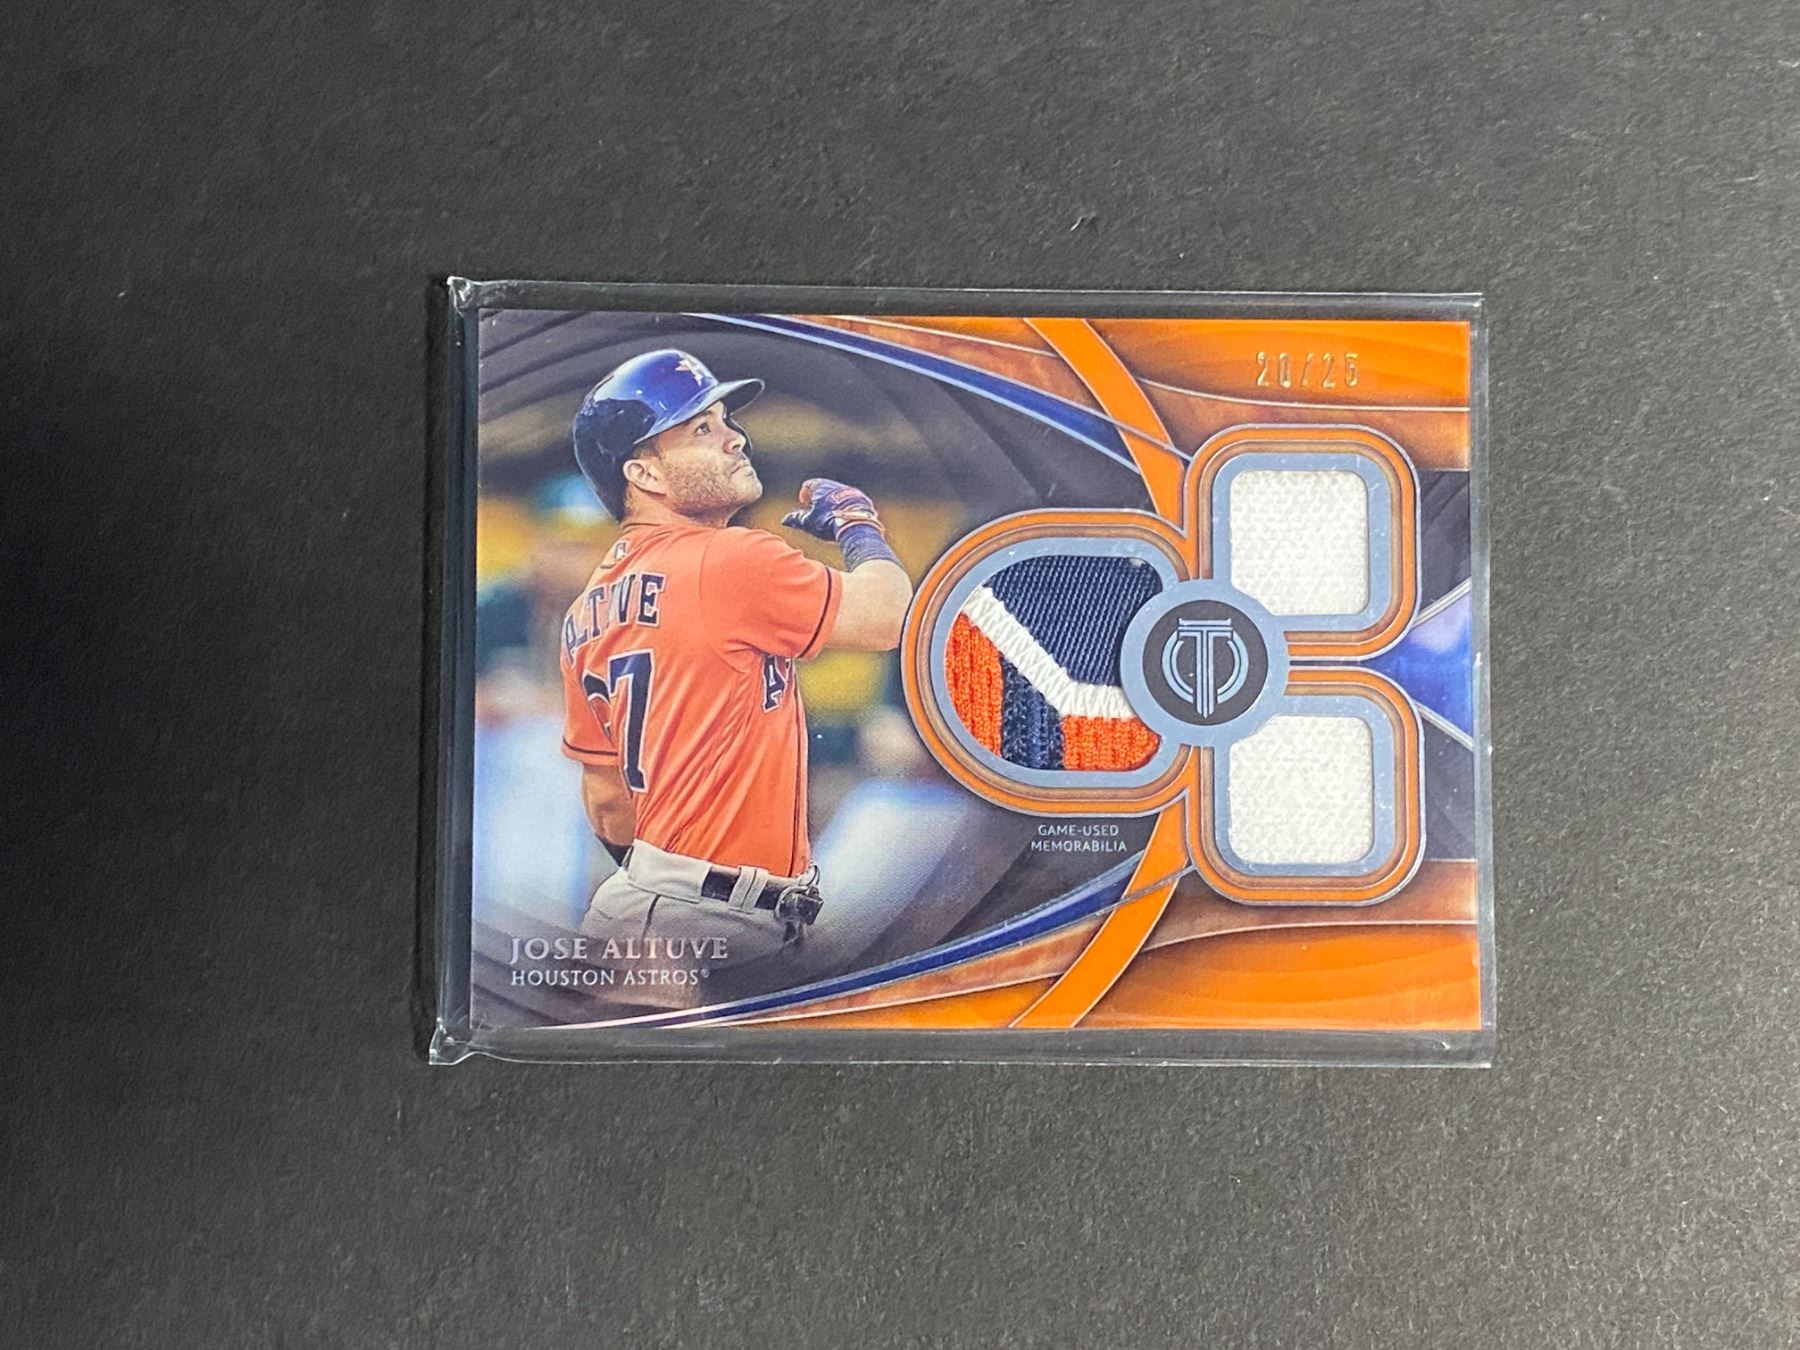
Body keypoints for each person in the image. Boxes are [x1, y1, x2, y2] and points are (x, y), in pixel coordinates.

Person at [560, 348, 913, 1006]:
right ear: (642, 472)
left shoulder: (587, 608)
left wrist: (659, 878)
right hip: (700, 922)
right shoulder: (725, 558)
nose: (734, 437)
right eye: (702, 428)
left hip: (659, 905)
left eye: (726, 420)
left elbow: (607, 800)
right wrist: (858, 524)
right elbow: (888, 617)